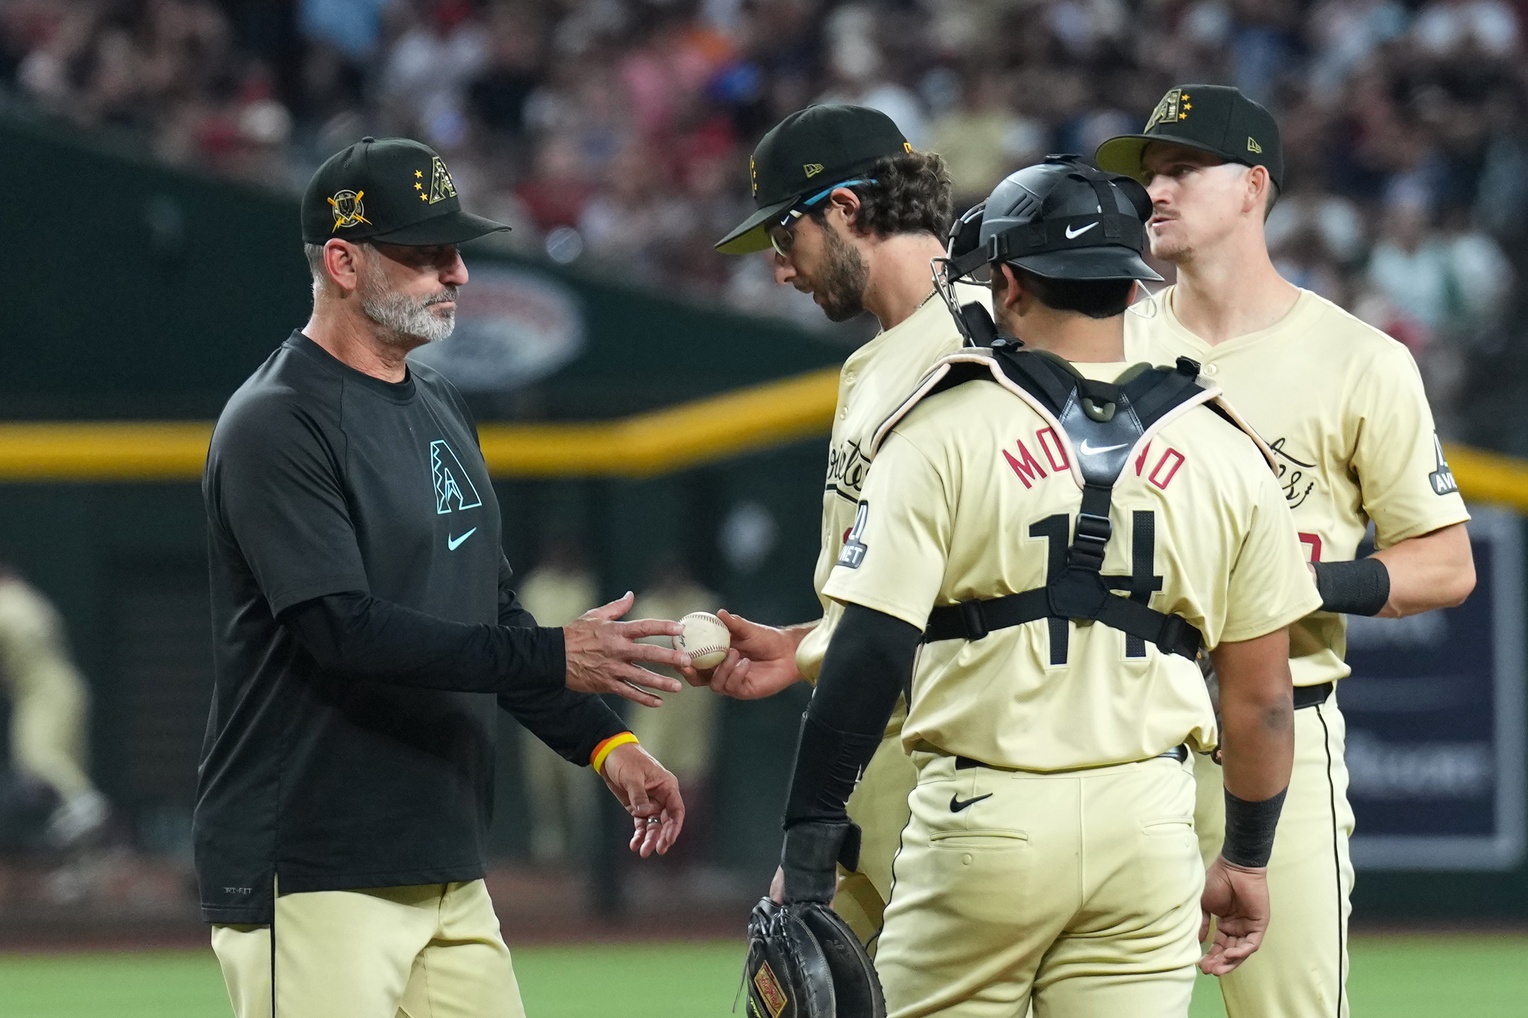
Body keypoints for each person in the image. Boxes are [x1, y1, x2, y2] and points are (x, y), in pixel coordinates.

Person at [769, 155, 1321, 1017]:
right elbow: (1261, 698)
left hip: (985, 818)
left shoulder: (938, 428)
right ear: (1135, 290)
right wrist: (1246, 857)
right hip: (1149, 825)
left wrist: (808, 843)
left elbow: (869, 652)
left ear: (1010, 282)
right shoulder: (1225, 446)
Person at [196, 136, 693, 1018]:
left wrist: (604, 744)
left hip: (447, 865)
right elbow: (343, 630)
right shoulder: (275, 423)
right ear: (343, 262)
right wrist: (552, 657)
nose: (458, 273)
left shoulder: (435, 401)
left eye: (456, 250)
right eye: (426, 253)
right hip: (314, 868)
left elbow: (491, 613)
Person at [1095, 85, 1475, 1018]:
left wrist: (1297, 585)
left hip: (1281, 732)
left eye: (1184, 169)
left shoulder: (1360, 359)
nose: (1159, 191)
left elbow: (1446, 564)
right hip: (1114, 733)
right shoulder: (1106, 349)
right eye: (1151, 174)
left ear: (1254, 186)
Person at [704, 103, 968, 946]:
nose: (780, 268)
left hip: (958, 770)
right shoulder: (871, 362)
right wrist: (809, 645)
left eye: (785, 236)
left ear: (847, 209)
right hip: (876, 758)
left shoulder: (983, 340)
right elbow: (905, 577)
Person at [0, 566, 108, 850]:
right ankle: (82, 857)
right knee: (69, 767)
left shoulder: (5, 605)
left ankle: (83, 801)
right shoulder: (32, 601)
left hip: (40, 693)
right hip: (69, 687)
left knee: (35, 758)